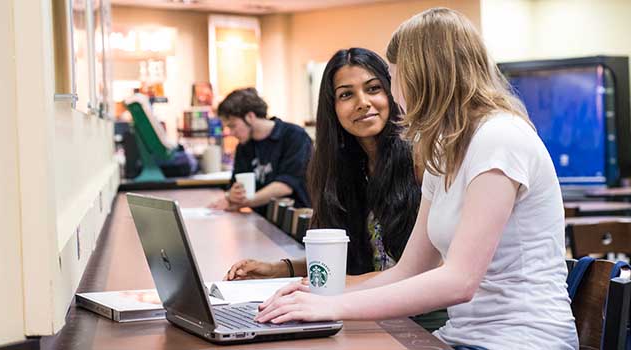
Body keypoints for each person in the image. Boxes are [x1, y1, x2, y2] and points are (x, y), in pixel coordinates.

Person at [255, 8, 578, 350]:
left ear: (425, 75)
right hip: (464, 337)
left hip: (521, 341)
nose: (394, 94)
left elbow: (460, 281)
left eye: (393, 78)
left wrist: (332, 305)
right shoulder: (444, 150)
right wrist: (319, 294)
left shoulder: (499, 138)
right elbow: (407, 270)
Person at [224, 48, 447, 330]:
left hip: (423, 323)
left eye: (373, 88)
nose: (363, 102)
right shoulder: (340, 170)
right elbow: (349, 258)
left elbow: (432, 269)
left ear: (391, 92)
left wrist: (322, 289)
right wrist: (279, 270)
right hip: (367, 313)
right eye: (346, 94)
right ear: (332, 107)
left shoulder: (422, 160)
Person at [209, 88, 312, 216]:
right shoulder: (244, 146)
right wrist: (232, 194)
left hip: (293, 222)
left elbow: (285, 185)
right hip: (260, 220)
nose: (231, 132)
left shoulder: (294, 136)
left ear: (250, 116)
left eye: (233, 125)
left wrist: (243, 202)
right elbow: (236, 183)